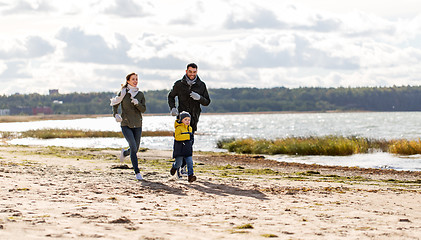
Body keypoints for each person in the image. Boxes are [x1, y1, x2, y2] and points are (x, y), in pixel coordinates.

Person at [168, 63, 211, 177]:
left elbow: (207, 101)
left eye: (194, 72)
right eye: (190, 72)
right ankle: (179, 167)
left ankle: (181, 167)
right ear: (186, 71)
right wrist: (173, 108)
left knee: (189, 144)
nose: (192, 74)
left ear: (197, 72)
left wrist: (199, 98)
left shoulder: (201, 85)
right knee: (180, 143)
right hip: (181, 118)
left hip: (193, 119)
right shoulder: (179, 84)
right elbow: (171, 96)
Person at [110, 72, 146, 180]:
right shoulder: (122, 93)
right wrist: (115, 114)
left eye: (136, 79)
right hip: (126, 124)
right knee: (133, 147)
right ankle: (137, 172)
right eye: (133, 79)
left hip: (138, 124)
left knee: (135, 148)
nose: (135, 81)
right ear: (128, 81)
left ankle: (125, 152)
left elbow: (143, 109)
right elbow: (115, 104)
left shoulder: (140, 95)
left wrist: (137, 103)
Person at [170, 111, 196, 182]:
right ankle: (174, 167)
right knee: (179, 163)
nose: (187, 121)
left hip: (187, 149)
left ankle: (190, 176)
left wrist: (191, 141)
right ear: (181, 120)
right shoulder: (178, 128)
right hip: (179, 149)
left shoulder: (190, 128)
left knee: (190, 162)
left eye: (189, 120)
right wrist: (188, 136)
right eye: (185, 119)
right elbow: (177, 137)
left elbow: (191, 138)